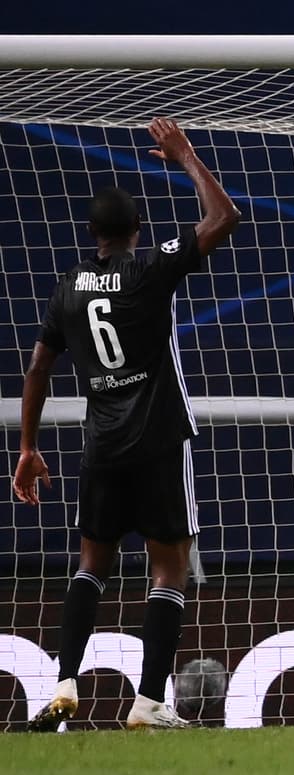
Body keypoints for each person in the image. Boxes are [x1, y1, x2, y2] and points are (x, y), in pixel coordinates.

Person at [14, 117, 241, 730]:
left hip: (102, 445)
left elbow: (38, 369)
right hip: (160, 439)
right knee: (167, 569)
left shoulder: (67, 289)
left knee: (92, 564)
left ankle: (63, 682)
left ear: (92, 236)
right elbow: (224, 219)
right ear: (136, 232)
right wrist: (186, 155)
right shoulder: (147, 272)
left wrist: (29, 445)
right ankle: (146, 702)